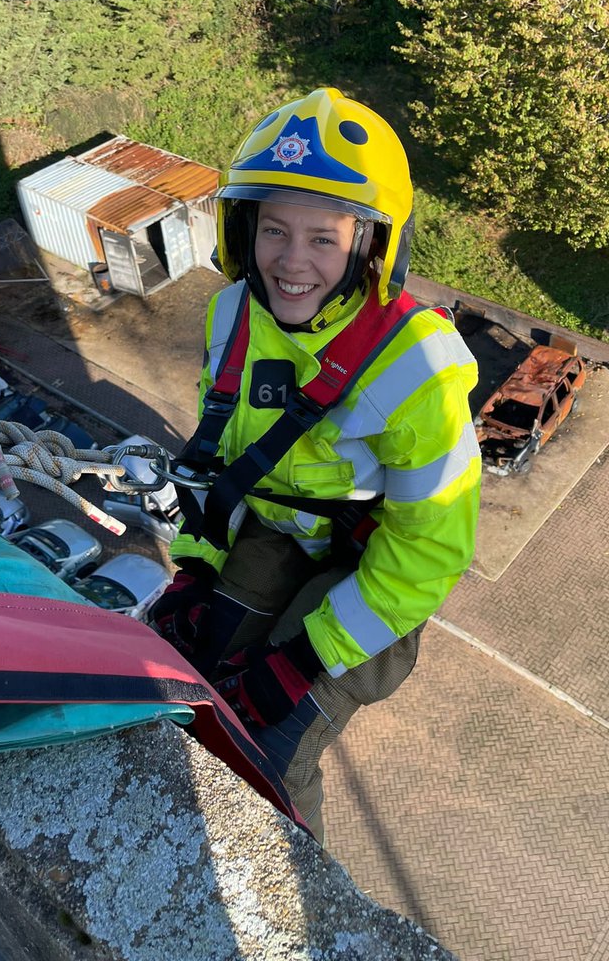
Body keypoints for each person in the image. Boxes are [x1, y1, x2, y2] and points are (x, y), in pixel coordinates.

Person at [149, 87, 480, 840]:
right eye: (274, 231)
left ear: (371, 244)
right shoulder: (233, 315)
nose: (291, 263)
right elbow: (219, 460)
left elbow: (429, 549)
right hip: (276, 533)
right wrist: (194, 568)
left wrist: (304, 660)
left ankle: (297, 899)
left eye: (323, 239)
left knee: (275, 745)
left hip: (378, 577)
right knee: (193, 669)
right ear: (245, 231)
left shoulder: (418, 367)